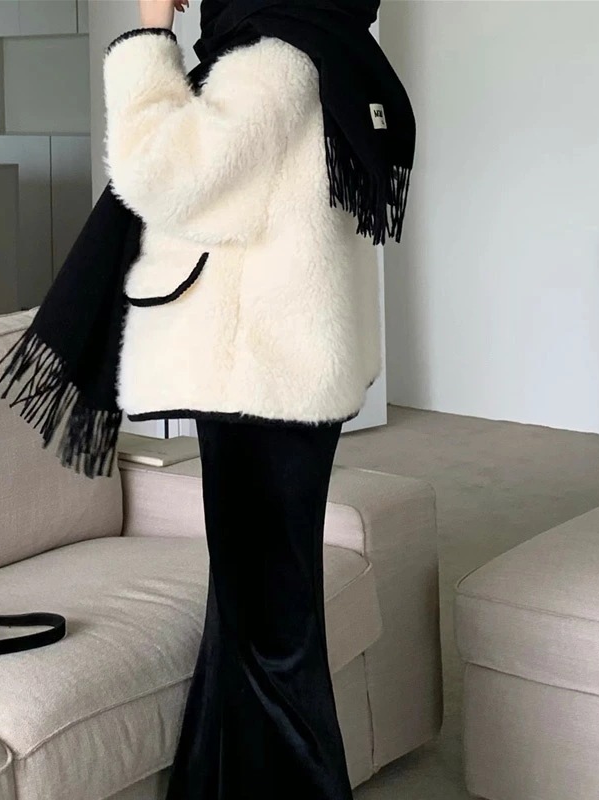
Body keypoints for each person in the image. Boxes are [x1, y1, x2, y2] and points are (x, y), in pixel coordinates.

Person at [101, 1, 415, 797]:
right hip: (283, 376)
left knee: (271, 639)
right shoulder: (328, 50)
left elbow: (158, 173)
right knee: (251, 619)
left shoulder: (268, 64)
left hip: (255, 380)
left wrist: (148, 34)